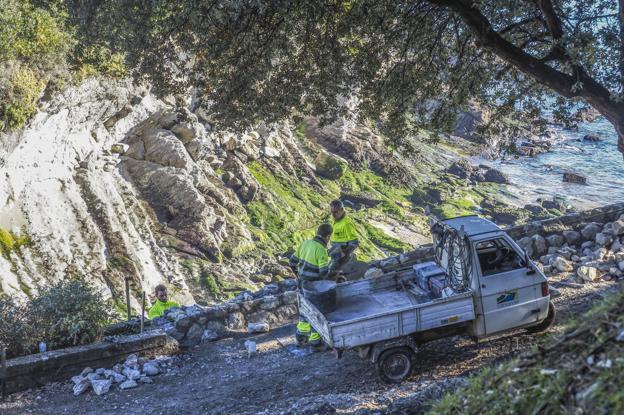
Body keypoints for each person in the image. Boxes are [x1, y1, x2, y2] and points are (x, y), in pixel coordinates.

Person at [288, 223, 333, 348]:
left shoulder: (305, 243)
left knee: (304, 310)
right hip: (313, 287)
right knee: (315, 312)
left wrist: (298, 275)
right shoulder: (321, 250)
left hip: (301, 282)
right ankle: (315, 341)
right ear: (328, 236)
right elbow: (324, 273)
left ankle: (301, 336)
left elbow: (291, 262)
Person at [328, 200, 359, 278]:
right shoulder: (337, 221)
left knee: (331, 274)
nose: (333, 214)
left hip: (342, 256)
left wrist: (344, 253)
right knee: (328, 271)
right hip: (335, 254)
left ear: (342, 210)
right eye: (332, 212)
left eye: (336, 211)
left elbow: (354, 242)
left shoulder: (346, 223)